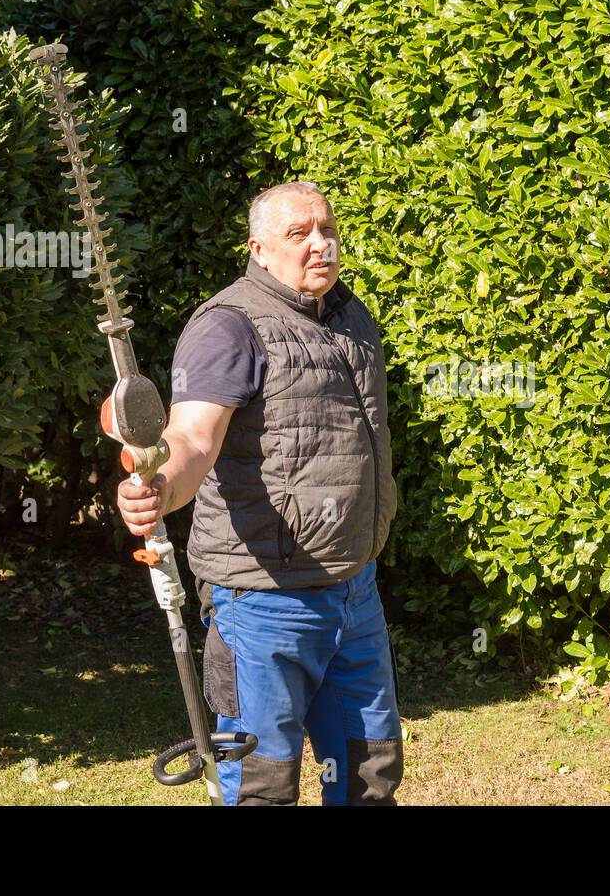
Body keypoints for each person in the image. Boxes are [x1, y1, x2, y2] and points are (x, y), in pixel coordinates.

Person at [117, 181, 401, 805]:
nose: (320, 245)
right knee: (263, 788)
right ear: (259, 249)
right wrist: (162, 488)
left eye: (327, 230)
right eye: (299, 235)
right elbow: (192, 437)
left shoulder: (350, 316)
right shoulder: (228, 327)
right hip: (263, 603)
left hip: (354, 591)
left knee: (369, 777)